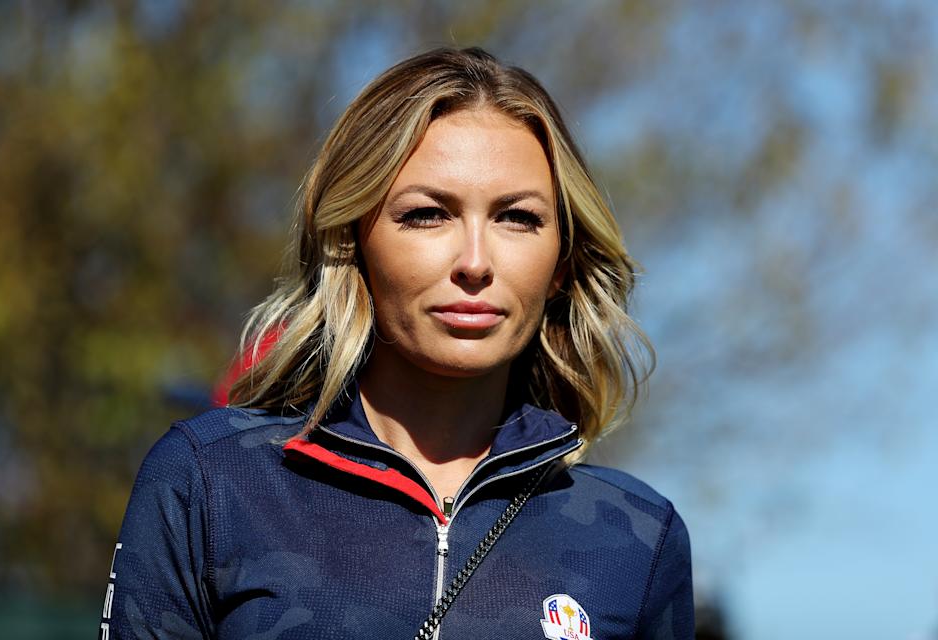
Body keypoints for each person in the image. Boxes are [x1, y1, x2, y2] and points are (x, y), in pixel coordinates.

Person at [100, 47, 693, 640]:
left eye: (517, 218)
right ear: (352, 239)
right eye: (429, 214)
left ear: (562, 262)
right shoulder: (211, 479)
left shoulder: (637, 540)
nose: (476, 263)